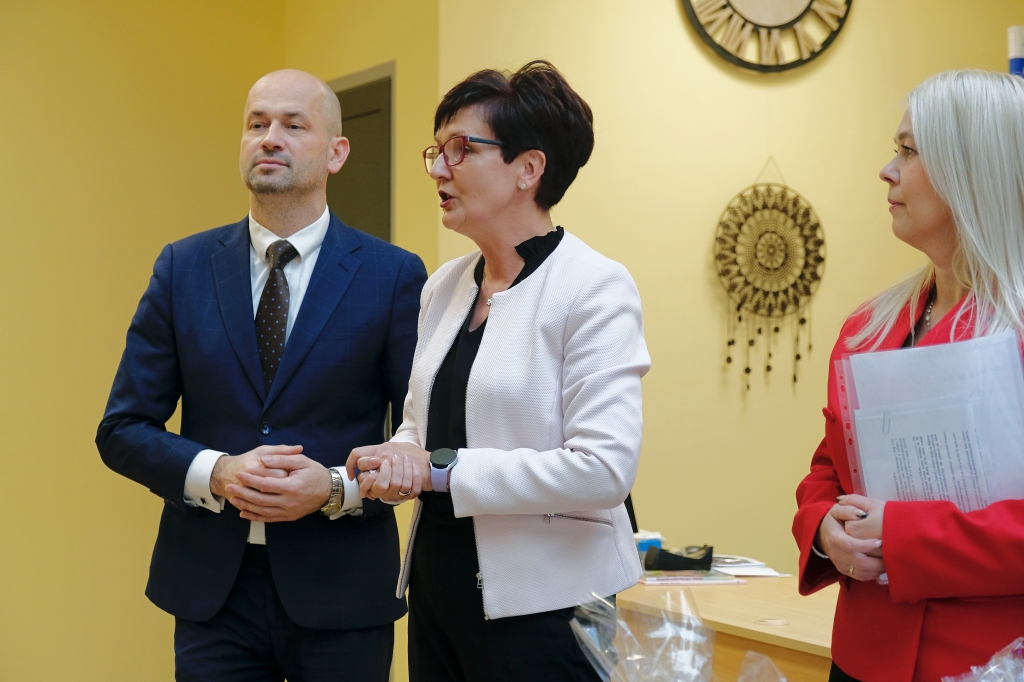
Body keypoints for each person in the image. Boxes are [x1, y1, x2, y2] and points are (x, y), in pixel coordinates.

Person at [96, 69, 427, 681]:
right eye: (257, 124)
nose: (270, 138)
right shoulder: (182, 267)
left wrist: (334, 488)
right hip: (211, 593)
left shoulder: (393, 275)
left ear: (337, 152)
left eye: (293, 125)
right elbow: (122, 429)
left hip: (343, 591)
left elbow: (418, 438)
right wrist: (217, 472)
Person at [345, 60, 650, 682]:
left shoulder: (594, 287)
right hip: (438, 592)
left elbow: (603, 469)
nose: (439, 169)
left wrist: (435, 470)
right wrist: (395, 457)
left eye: (461, 149)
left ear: (528, 169)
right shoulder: (445, 286)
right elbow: (419, 428)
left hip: (552, 608)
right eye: (436, 151)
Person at [793, 70, 1024, 682]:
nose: (887, 170)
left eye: (909, 151)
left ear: (972, 172)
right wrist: (823, 527)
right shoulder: (869, 326)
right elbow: (830, 467)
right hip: (863, 656)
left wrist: (903, 535)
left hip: (988, 661)